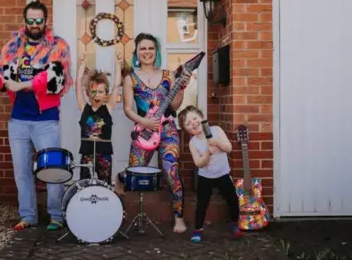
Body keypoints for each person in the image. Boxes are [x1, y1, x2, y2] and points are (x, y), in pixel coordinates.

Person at [0, 0, 72, 232]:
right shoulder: (14, 46)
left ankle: (56, 214)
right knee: (22, 172)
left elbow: (55, 78)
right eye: (30, 20)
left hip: (46, 120)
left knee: (53, 169)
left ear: (45, 21)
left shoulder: (58, 46)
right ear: (25, 21)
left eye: (39, 20)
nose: (34, 24)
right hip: (18, 122)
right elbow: (2, 81)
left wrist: (22, 84)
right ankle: (28, 216)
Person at [115, 32, 189, 233]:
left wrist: (181, 89)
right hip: (144, 130)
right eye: (142, 49)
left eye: (150, 48)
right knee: (134, 175)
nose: (147, 52)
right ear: (137, 53)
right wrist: (145, 122)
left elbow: (174, 105)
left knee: (171, 171)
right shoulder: (131, 78)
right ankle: (120, 180)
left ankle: (179, 217)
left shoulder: (168, 75)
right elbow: (128, 109)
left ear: (156, 52)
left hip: (167, 130)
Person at [180, 105, 243, 243]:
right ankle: (197, 230)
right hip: (205, 177)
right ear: (186, 129)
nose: (193, 123)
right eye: (188, 123)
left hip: (223, 174)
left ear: (203, 118)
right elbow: (198, 163)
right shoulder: (193, 142)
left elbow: (229, 148)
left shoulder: (216, 130)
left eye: (195, 118)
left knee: (232, 200)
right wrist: (208, 153)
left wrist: (218, 143)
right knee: (202, 204)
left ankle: (234, 223)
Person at [75, 52, 122, 182]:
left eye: (101, 92)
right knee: (84, 184)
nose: (97, 95)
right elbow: (78, 83)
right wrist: (82, 64)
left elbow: (117, 84)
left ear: (106, 94)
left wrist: (118, 64)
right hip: (87, 155)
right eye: (93, 91)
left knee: (105, 185)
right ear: (88, 93)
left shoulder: (108, 108)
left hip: (104, 155)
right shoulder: (84, 108)